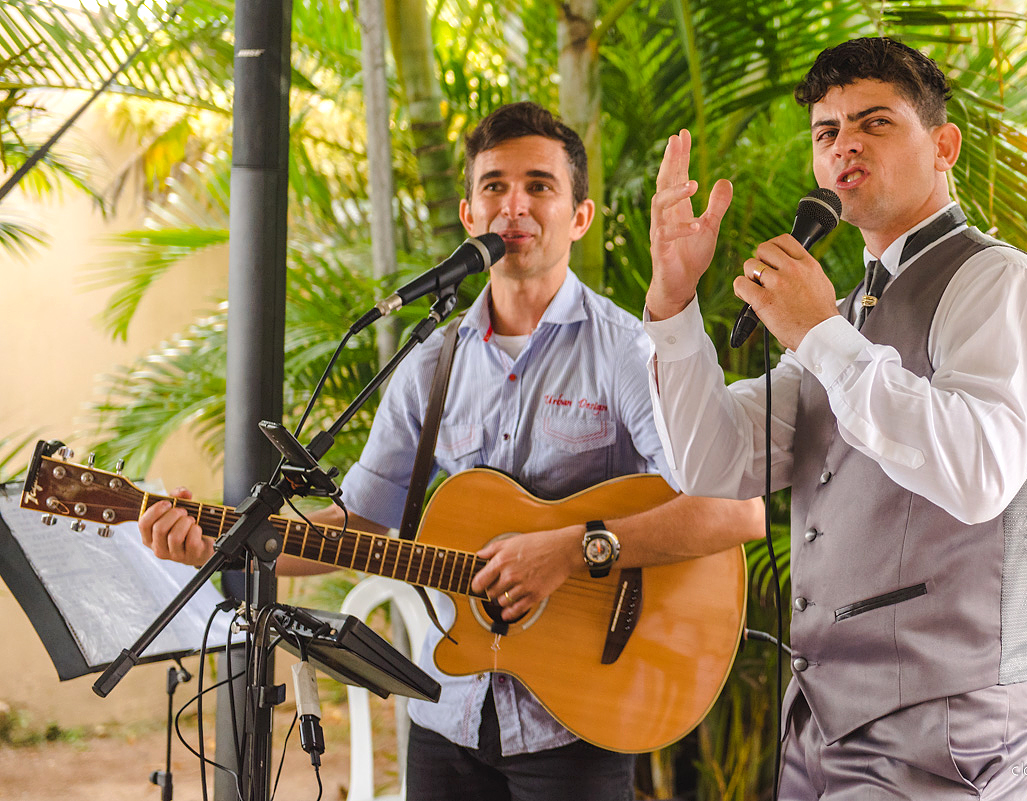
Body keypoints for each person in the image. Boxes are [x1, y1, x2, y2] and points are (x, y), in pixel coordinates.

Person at [139, 101, 763, 801]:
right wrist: (220, 542)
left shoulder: (628, 352)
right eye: (494, 186)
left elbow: (735, 513)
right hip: (446, 716)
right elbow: (365, 528)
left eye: (539, 186)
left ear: (579, 217)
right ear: (469, 216)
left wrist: (569, 551)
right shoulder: (430, 363)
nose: (514, 205)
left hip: (577, 723)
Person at [643, 38, 1027, 800]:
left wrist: (819, 335)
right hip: (818, 717)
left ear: (944, 145)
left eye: (873, 123)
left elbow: (979, 473)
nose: (844, 143)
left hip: (944, 722)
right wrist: (674, 308)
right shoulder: (841, 315)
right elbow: (716, 464)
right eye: (826, 131)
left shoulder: (1000, 283)